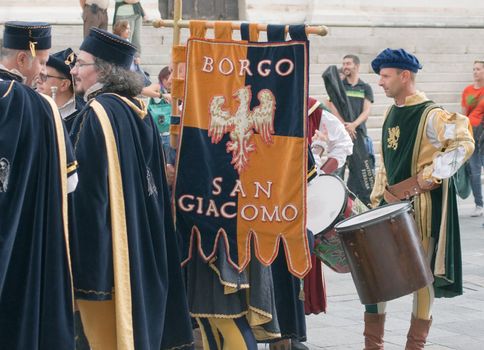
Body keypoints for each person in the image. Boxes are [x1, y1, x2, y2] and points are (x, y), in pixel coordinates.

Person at [69, 28, 193, 350]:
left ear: (103, 70)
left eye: (80, 63)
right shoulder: (140, 112)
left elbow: (87, 200)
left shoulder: (96, 115)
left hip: (106, 265)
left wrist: (80, 268)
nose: (73, 70)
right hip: (142, 250)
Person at [367, 48, 474, 349]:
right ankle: (371, 345)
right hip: (388, 207)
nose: (380, 82)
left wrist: (432, 174)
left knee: (421, 279)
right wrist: (377, 198)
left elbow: (464, 142)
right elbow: (386, 163)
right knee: (376, 277)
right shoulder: (391, 111)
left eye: (386, 76)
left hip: (418, 209)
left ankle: (415, 345)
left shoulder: (432, 114)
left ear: (405, 76)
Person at [0, 21, 78, 349]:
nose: (43, 72)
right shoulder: (42, 107)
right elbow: (71, 182)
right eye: (43, 61)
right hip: (21, 240)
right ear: (23, 59)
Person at [327, 54, 375, 204]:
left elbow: (367, 110)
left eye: (348, 63)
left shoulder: (365, 87)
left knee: (359, 173)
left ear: (356, 66)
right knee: (337, 169)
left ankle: (354, 204)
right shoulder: (338, 86)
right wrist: (344, 125)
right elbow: (331, 106)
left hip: (358, 135)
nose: (345, 66)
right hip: (341, 135)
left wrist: (353, 124)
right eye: (344, 64)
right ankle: (334, 202)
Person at [36, 48, 86, 131]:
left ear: (64, 85)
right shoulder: (28, 102)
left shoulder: (83, 117)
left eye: (44, 77)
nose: (38, 80)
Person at [461, 60, 484, 217]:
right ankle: (479, 204)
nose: (475, 72)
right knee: (474, 170)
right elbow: (463, 114)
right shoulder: (468, 91)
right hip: (471, 132)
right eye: (474, 69)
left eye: (478, 69)